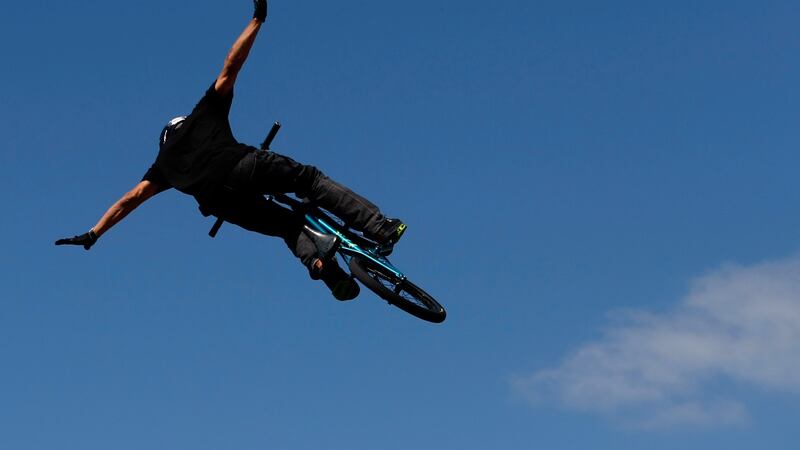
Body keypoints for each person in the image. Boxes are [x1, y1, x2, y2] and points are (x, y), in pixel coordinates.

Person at [55, 0, 406, 301]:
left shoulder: (163, 163)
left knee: (286, 226)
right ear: (180, 124)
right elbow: (230, 68)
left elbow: (129, 199)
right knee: (309, 180)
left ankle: (324, 269)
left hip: (221, 202)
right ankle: (379, 227)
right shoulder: (201, 115)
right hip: (242, 166)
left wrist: (93, 234)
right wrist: (257, 21)